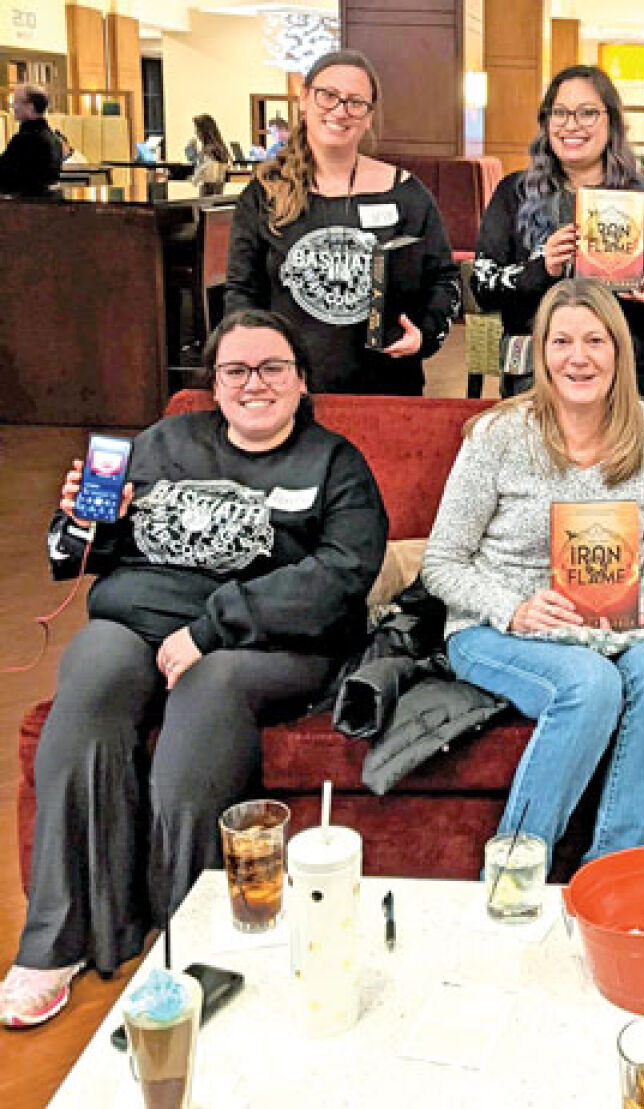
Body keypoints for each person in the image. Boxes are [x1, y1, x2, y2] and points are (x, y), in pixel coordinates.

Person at [0, 308, 387, 1028]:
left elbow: (340, 579)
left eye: (273, 367)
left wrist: (209, 630)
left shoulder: (335, 465)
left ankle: (185, 943)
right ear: (214, 382)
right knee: (92, 672)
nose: (254, 383)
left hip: (266, 644)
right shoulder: (164, 441)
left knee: (209, 691)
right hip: (137, 619)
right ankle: (56, 942)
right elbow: (75, 559)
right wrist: (88, 523)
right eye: (235, 369)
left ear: (302, 380)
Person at [422, 278, 644, 866]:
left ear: (619, 351)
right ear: (540, 352)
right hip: (497, 628)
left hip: (614, 626)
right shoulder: (497, 435)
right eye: (562, 341)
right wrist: (512, 608)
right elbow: (440, 563)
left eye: (595, 340)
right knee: (588, 684)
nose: (579, 357)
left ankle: (612, 876)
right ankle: (516, 871)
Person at [225, 49, 460, 395]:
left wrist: (424, 333)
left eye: (355, 102)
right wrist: (257, 365)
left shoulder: (407, 194)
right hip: (291, 392)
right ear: (304, 99)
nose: (340, 110)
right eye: (328, 95)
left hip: (386, 388)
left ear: (368, 116)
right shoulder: (265, 194)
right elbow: (242, 292)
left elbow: (444, 279)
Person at [471, 64, 644, 402]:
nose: (571, 125)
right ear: (546, 122)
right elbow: (482, 288)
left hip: (627, 382)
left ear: (612, 122)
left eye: (587, 113)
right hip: (536, 384)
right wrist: (541, 267)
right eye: (559, 113)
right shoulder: (514, 194)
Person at [0, 84, 62, 197]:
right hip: (47, 205)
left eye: (16, 102)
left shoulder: (26, 140)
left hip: (24, 206)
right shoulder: (54, 139)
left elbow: (5, 176)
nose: (13, 107)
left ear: (30, 107)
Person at [189, 113, 231, 197]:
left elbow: (196, 179)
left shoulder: (208, 151)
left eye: (197, 130)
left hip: (205, 198)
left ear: (203, 132)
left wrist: (191, 152)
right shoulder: (221, 150)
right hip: (217, 198)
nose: (196, 133)